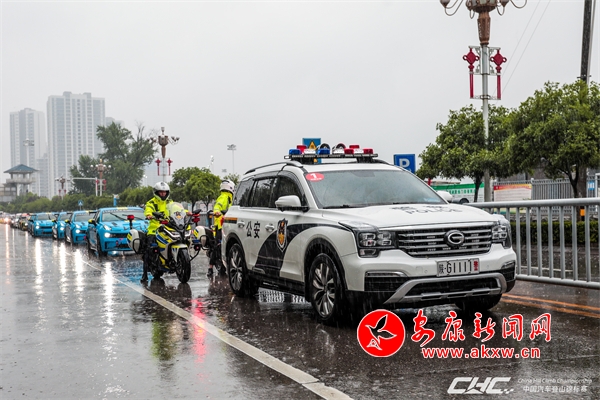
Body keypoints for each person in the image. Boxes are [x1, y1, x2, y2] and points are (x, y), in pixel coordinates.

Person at [141, 181, 172, 282]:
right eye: (161, 192)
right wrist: (149, 215)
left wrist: (187, 212)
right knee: (149, 250)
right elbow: (148, 209)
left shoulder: (169, 202)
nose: (163, 194)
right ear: (156, 192)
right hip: (154, 230)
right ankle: (144, 274)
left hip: (167, 228)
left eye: (164, 192)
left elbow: (177, 209)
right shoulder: (151, 203)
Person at [207, 179, 235, 277]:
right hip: (221, 226)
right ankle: (210, 268)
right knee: (217, 246)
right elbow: (217, 206)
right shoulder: (224, 197)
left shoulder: (230, 198)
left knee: (222, 246)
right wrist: (217, 211)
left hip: (226, 226)